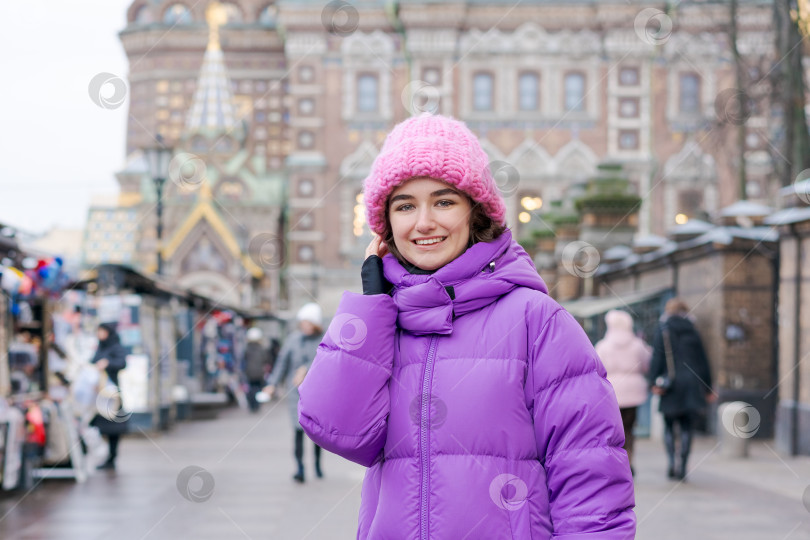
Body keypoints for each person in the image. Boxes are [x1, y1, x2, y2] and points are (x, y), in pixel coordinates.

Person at [297, 114, 635, 538]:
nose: (423, 223)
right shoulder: (383, 323)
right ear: (385, 226)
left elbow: (592, 481)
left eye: (443, 201)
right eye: (404, 205)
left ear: (476, 212)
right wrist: (369, 308)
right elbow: (337, 429)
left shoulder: (538, 320)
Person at [649, 298, 714, 480]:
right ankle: (683, 466)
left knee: (669, 426)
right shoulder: (693, 331)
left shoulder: (663, 330)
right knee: (687, 427)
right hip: (692, 384)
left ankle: (671, 462)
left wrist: (653, 381)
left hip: (671, 384)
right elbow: (703, 362)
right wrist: (708, 387)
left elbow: (657, 359)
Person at [264, 303, 325, 483]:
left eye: (309, 322)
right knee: (297, 431)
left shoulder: (324, 339)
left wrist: (306, 369)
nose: (305, 326)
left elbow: (327, 363)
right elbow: (282, 363)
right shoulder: (293, 340)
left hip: (317, 394)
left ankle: (317, 465)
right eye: (303, 322)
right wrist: (272, 384)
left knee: (316, 433)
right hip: (296, 395)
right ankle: (299, 468)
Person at [595, 309, 652, 475]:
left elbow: (597, 369)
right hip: (634, 393)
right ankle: (630, 459)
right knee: (629, 428)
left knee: (612, 430)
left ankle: (615, 461)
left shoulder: (603, 346)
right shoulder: (637, 344)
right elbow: (646, 365)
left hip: (611, 392)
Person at [90, 322, 128, 471]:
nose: (100, 334)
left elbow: (122, 363)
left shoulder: (116, 347)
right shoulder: (100, 346)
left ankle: (112, 456)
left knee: (113, 427)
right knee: (98, 424)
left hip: (112, 394)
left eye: (102, 331)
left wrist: (108, 363)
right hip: (99, 393)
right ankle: (104, 455)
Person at [243, 327, 271, 413]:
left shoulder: (246, 349)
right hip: (259, 373)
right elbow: (266, 360)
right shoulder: (262, 349)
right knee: (258, 389)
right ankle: (257, 405)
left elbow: (243, 360)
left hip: (249, 373)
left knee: (251, 389)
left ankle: (252, 405)